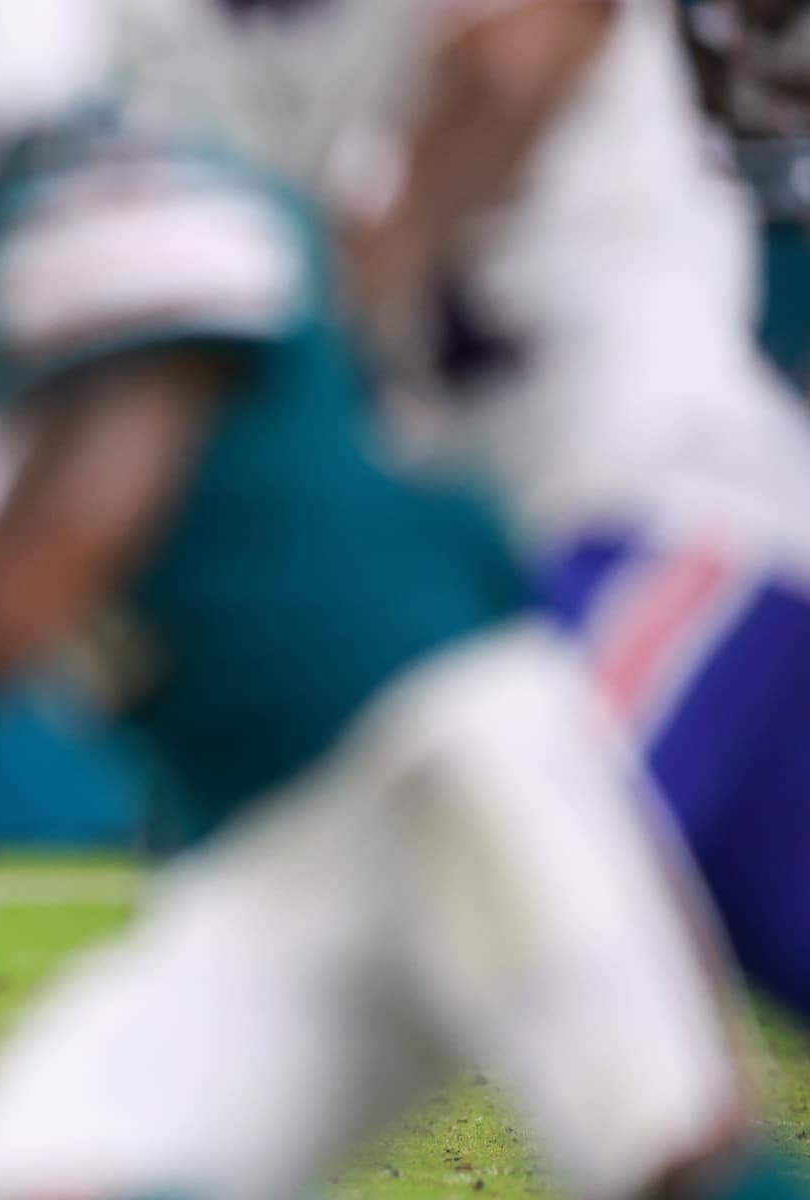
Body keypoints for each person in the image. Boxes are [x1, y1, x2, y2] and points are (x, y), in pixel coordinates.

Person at [0, 1, 792, 1196]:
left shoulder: (107, 206)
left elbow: (9, 605)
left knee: (671, 1153)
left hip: (461, 741)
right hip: (285, 840)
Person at [124, 0, 810, 1021]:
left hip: (660, 508)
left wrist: (369, 276)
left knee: (508, 870)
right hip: (496, 584)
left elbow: (522, 45)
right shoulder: (179, 53)